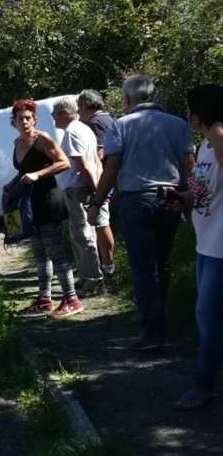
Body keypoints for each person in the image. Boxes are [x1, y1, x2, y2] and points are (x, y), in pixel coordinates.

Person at [88, 75, 195, 349]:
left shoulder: (120, 126)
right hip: (171, 198)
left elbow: (111, 169)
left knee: (143, 267)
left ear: (126, 100)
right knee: (163, 262)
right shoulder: (178, 124)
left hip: (136, 201)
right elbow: (189, 165)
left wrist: (97, 202)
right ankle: (162, 321)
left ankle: (152, 332)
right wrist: (189, 198)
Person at [174, 83, 223, 409]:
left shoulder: (218, 136)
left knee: (207, 315)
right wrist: (182, 198)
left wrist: (217, 128)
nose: (186, 114)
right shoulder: (204, 145)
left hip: (221, 247)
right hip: (206, 243)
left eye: (190, 108)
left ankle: (204, 385)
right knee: (208, 315)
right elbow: (203, 190)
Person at [11, 98, 83, 318]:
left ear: (34, 119)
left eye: (28, 118)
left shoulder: (42, 139)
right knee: (40, 254)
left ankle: (72, 299)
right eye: (20, 118)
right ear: (12, 121)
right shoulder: (17, 143)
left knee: (56, 252)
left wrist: (38, 174)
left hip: (48, 200)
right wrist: (11, 185)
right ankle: (44, 299)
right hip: (30, 205)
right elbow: (23, 170)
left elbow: (64, 163)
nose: (24, 122)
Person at [52, 96, 105, 294]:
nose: (52, 117)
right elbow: (95, 161)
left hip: (78, 189)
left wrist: (95, 188)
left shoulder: (73, 132)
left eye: (54, 113)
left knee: (83, 234)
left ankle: (92, 279)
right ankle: (86, 276)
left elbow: (82, 164)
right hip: (81, 187)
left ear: (64, 114)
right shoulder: (84, 128)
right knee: (81, 233)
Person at [77, 89, 117, 278]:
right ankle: (106, 264)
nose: (78, 112)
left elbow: (100, 153)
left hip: (102, 180)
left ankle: (108, 266)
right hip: (112, 178)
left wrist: (93, 180)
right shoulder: (110, 118)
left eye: (79, 107)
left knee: (101, 222)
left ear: (85, 106)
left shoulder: (95, 122)